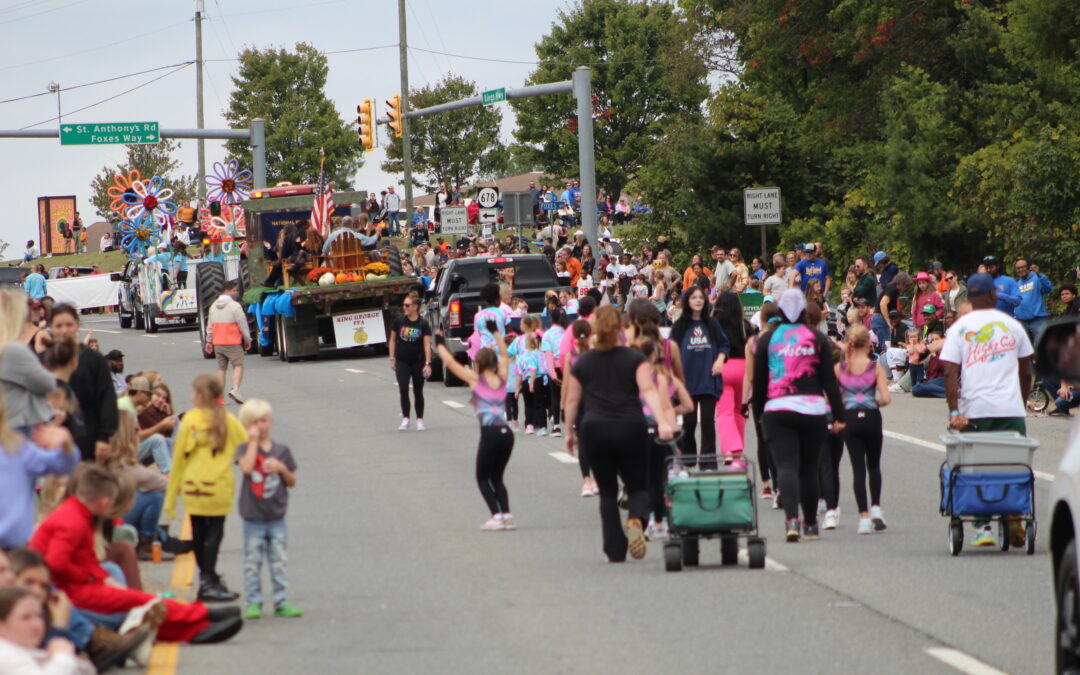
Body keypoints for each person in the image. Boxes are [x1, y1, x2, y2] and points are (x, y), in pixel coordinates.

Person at [32, 464, 243, 643]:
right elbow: (55, 563)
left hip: (73, 586)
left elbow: (85, 560)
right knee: (138, 602)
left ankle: (196, 626)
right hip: (68, 590)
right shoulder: (74, 521)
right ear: (104, 502)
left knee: (138, 601)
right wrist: (89, 577)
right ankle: (199, 617)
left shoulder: (77, 513)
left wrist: (101, 578)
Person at [563, 306, 675, 562]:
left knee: (607, 491)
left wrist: (569, 432)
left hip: (594, 428)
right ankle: (637, 518)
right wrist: (662, 422)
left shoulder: (584, 361)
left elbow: (572, 400)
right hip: (630, 426)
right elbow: (648, 390)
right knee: (637, 485)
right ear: (620, 328)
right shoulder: (635, 358)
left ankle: (614, 551)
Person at [940, 273, 1033, 548]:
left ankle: (983, 528)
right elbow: (1026, 370)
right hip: (1011, 408)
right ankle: (1013, 510)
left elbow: (949, 372)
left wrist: (954, 412)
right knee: (1013, 463)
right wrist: (1021, 401)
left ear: (969, 296)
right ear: (994, 295)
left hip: (975, 410)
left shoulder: (959, 328)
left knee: (977, 467)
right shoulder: (1013, 325)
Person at [751, 290, 844, 542]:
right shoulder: (817, 338)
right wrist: (838, 415)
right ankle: (811, 523)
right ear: (804, 310)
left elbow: (759, 381)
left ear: (781, 310)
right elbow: (829, 382)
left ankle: (792, 520)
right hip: (812, 409)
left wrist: (759, 413)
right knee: (809, 468)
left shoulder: (768, 339)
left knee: (786, 466)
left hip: (777, 407)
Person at [165, 374, 249, 602]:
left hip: (193, 489)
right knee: (214, 534)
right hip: (218, 488)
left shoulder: (189, 420)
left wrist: (171, 499)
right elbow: (245, 448)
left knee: (199, 534)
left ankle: (207, 580)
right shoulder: (227, 420)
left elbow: (178, 460)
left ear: (200, 396)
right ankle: (209, 580)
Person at [435, 323, 518, 531]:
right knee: (497, 477)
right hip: (507, 434)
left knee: (482, 477)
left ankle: (496, 516)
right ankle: (507, 515)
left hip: (490, 433)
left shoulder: (475, 379)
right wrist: (496, 332)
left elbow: (450, 363)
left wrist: (440, 343)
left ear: (478, 364)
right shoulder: (502, 377)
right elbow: (505, 356)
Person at [235, 399, 301, 620]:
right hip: (253, 517)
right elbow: (246, 468)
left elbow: (292, 481)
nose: (260, 426)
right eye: (254, 422)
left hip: (276, 516)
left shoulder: (282, 451)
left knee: (279, 561)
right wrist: (253, 442)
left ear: (270, 421)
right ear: (246, 425)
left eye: (263, 421)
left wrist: (281, 468)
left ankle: (281, 600)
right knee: (252, 562)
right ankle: (253, 602)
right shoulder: (244, 449)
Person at [835, 325, 891, 534]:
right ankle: (876, 508)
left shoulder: (840, 368)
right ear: (868, 343)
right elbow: (886, 398)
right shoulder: (875, 368)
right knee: (873, 465)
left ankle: (864, 518)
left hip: (850, 417)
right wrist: (872, 402)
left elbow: (832, 398)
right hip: (871, 417)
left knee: (858, 468)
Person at [669, 287, 729, 468]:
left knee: (708, 423)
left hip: (708, 379)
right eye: (694, 297)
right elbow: (670, 352)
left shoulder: (712, 324)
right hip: (686, 382)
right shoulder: (679, 326)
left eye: (701, 298)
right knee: (689, 423)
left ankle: (708, 464)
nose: (698, 300)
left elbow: (724, 345)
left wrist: (720, 360)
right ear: (687, 301)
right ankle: (688, 462)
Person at [49, 305, 118, 461]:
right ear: (51, 327)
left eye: (69, 325)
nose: (64, 331)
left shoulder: (94, 359)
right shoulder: (44, 360)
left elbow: (107, 398)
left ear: (77, 325)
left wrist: (104, 437)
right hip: (53, 440)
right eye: (58, 326)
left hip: (89, 437)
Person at [0, 586, 87, 675]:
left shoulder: (19, 652)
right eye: (26, 617)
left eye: (39, 616)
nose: (36, 625)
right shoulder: (7, 657)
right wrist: (63, 657)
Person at [713, 291, 752, 467]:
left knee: (724, 412)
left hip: (723, 367)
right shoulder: (746, 325)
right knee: (739, 410)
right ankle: (737, 454)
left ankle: (730, 448)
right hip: (743, 369)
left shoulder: (714, 325)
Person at [388, 293, 432, 431]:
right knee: (403, 389)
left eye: (407, 305)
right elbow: (392, 340)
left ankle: (420, 419)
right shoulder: (399, 321)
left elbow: (427, 345)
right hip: (402, 361)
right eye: (403, 305)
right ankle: (406, 418)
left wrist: (428, 364)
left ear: (415, 307)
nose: (404, 308)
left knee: (418, 391)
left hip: (418, 362)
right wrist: (392, 358)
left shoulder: (423, 324)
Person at [206, 280, 251, 404]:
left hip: (218, 343)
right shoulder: (234, 306)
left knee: (221, 369)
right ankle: (235, 390)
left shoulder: (213, 306)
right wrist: (247, 339)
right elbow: (242, 324)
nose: (236, 293)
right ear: (227, 291)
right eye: (234, 290)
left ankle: (219, 397)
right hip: (233, 342)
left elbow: (209, 326)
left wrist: (209, 341)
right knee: (238, 365)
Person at [1014, 258, 1053, 345]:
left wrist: (1039, 274)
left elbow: (1049, 289)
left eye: (1023, 267)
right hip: (1022, 321)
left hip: (1037, 320)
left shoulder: (1037, 278)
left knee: (1041, 346)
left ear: (1028, 267)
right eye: (1018, 268)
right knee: (1024, 348)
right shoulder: (1017, 284)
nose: (1020, 270)